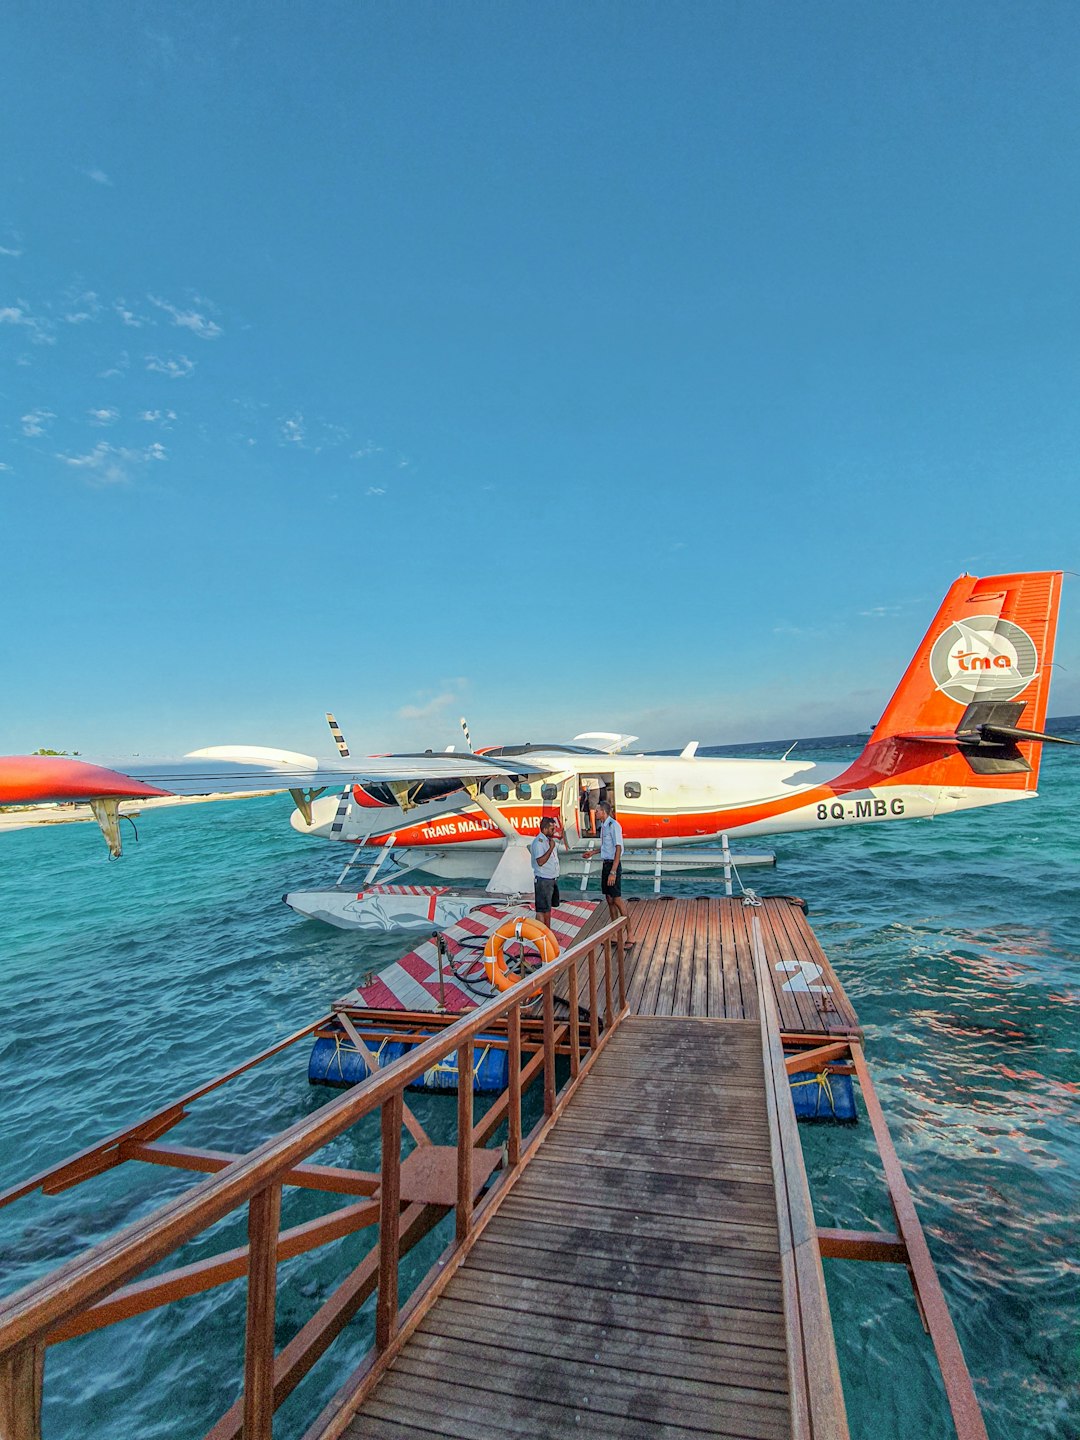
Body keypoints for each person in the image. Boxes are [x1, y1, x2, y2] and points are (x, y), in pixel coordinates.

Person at [586, 800, 633, 944]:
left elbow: (618, 848)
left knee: (617, 899)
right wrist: (594, 852)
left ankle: (630, 934)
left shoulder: (614, 826)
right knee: (609, 899)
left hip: (613, 865)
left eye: (598, 811)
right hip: (606, 864)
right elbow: (608, 847)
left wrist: (613, 871)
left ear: (604, 812)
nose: (596, 813)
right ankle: (615, 933)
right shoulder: (604, 826)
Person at [530, 815, 561, 931]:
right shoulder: (539, 842)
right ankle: (545, 933)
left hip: (551, 878)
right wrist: (550, 849)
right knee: (543, 910)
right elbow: (540, 861)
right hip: (543, 879)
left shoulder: (549, 840)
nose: (554, 831)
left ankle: (545, 932)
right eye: (552, 829)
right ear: (545, 829)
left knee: (547, 908)